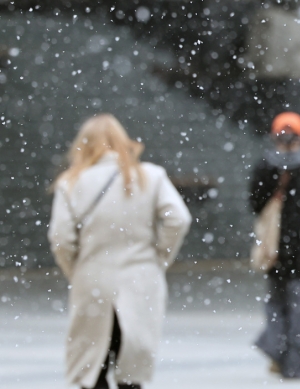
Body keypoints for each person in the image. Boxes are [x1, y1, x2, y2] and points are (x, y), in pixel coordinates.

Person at [48, 114, 192, 389]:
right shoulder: (151, 176)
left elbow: (61, 238)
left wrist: (75, 270)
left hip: (92, 279)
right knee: (132, 366)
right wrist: (159, 256)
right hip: (141, 279)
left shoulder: (71, 183)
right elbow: (179, 219)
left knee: (91, 366)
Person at [250, 111, 300, 378]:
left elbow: (255, 203)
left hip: (276, 249)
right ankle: (296, 365)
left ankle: (275, 348)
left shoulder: (265, 166)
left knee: (276, 305)